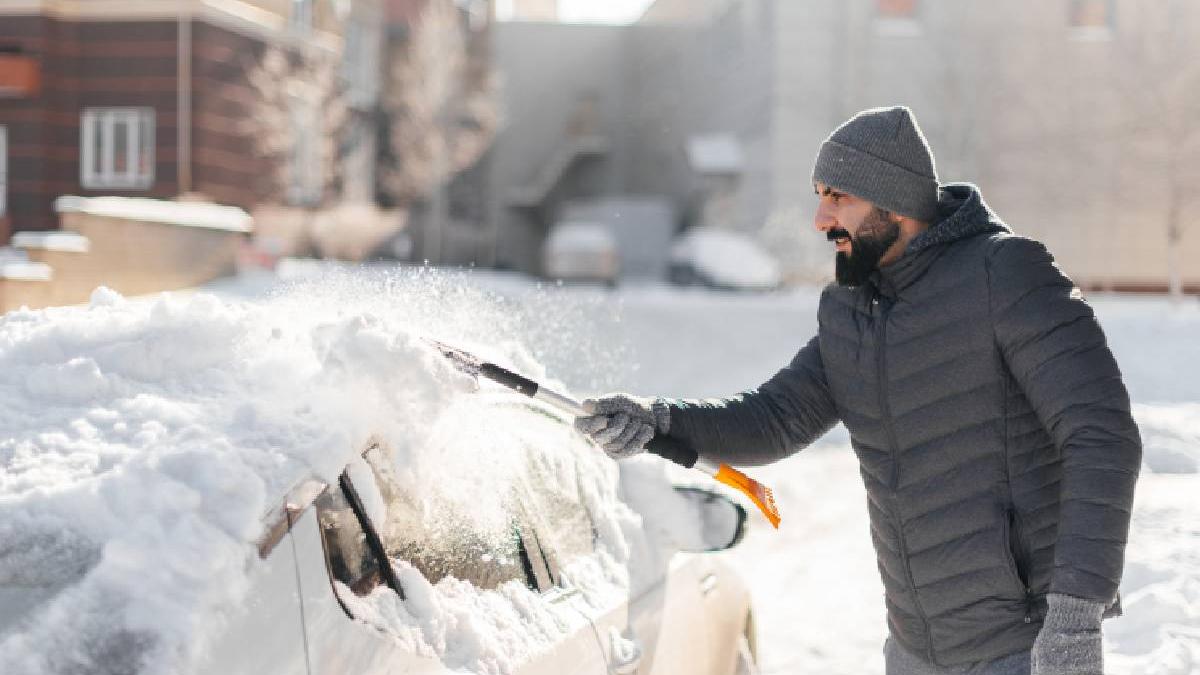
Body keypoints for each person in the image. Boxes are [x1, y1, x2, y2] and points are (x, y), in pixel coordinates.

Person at [574, 106, 1142, 675]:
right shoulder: (852, 310)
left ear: (894, 203)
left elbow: (1101, 436)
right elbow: (775, 418)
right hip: (914, 651)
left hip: (1025, 646)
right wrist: (659, 421)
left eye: (837, 197)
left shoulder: (1006, 273)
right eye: (819, 196)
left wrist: (1075, 615)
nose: (820, 219)